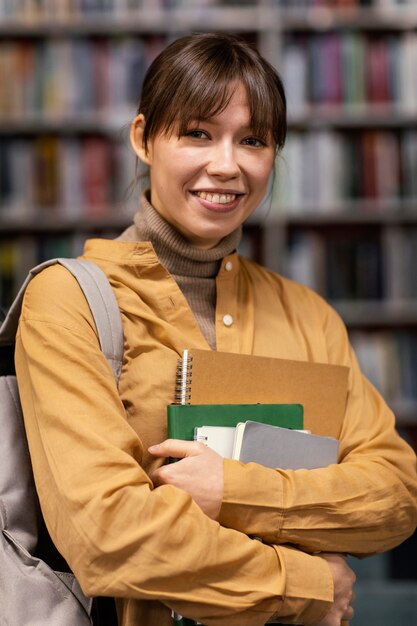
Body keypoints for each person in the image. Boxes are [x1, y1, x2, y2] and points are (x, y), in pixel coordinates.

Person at [15, 33, 417, 626]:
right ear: (143, 138)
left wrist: (232, 489)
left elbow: (394, 497)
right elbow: (107, 533)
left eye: (252, 140)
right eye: (198, 133)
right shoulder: (68, 300)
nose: (226, 165)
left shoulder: (309, 314)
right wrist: (305, 582)